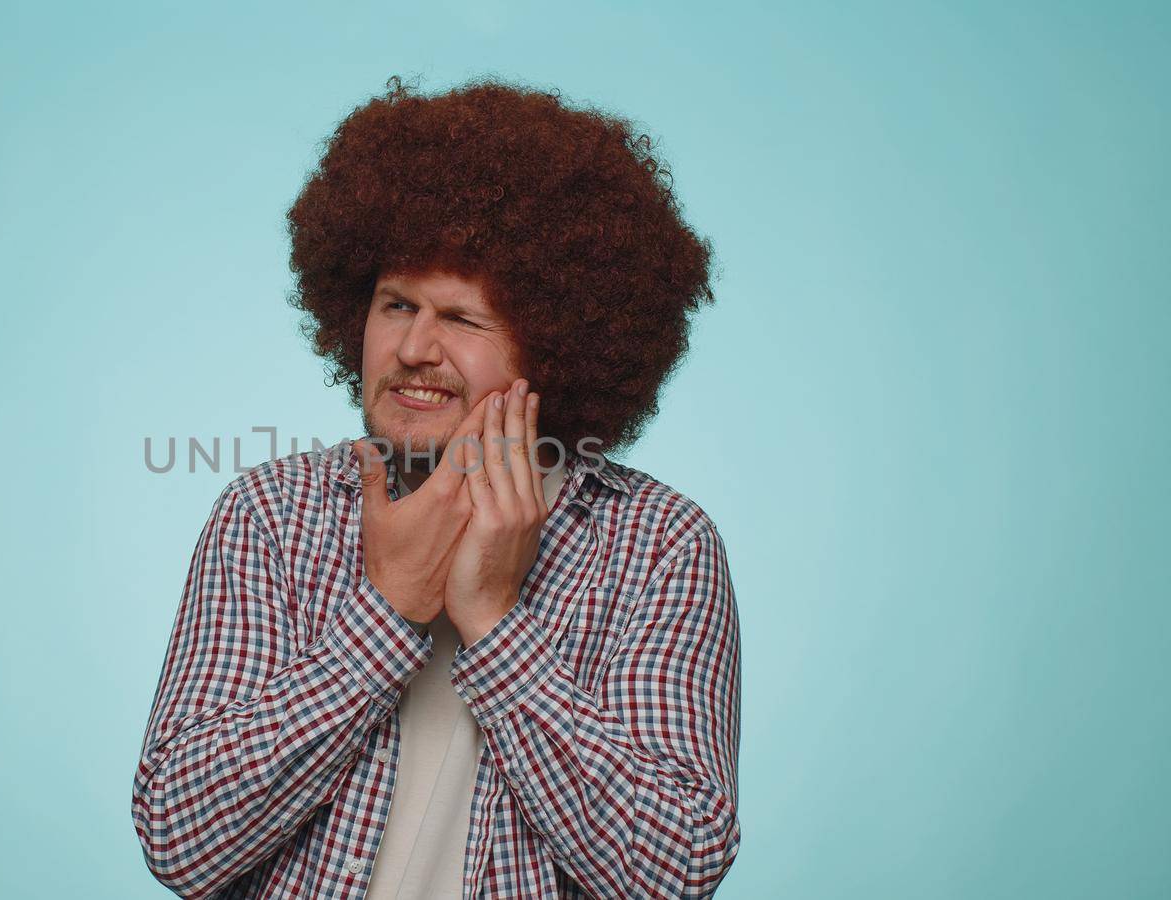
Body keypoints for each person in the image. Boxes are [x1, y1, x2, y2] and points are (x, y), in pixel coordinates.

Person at [132, 75, 741, 899]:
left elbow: (673, 871)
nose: (415, 347)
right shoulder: (271, 515)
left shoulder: (657, 544)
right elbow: (179, 837)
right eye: (395, 306)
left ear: (557, 345)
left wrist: (493, 621)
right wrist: (386, 611)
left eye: (461, 319)